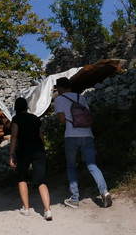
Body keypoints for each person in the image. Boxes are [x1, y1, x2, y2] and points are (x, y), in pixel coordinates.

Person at [53, 77, 111, 208]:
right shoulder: (81, 98)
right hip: (87, 134)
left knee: (71, 166)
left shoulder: (59, 99)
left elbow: (61, 120)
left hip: (71, 136)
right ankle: (104, 191)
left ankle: (74, 199)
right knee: (92, 165)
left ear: (60, 88)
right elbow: (88, 115)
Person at [9, 96, 52, 220]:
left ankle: (26, 208)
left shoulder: (16, 119)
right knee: (41, 180)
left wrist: (11, 154)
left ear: (16, 108)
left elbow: (14, 136)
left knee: (22, 178)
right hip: (38, 150)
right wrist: (42, 147)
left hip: (24, 151)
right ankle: (48, 210)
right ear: (26, 107)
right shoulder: (35, 118)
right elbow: (41, 135)